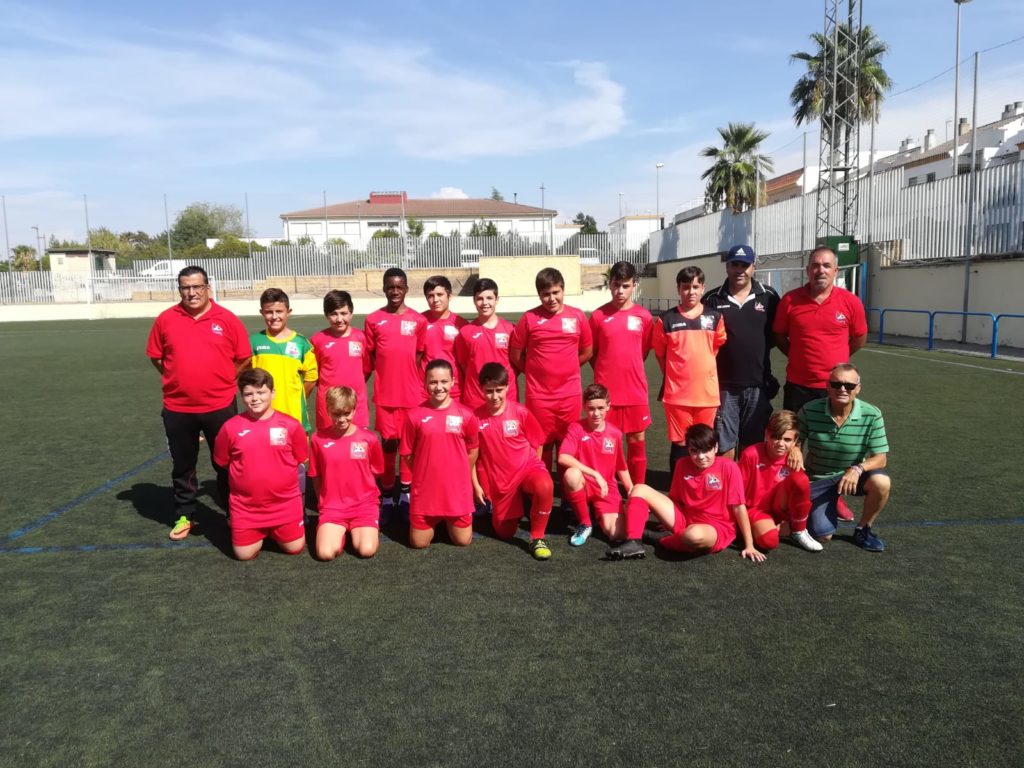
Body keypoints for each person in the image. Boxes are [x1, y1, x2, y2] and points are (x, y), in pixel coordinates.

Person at [146, 265, 252, 540]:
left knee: (227, 464)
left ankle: (234, 512)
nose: (191, 293)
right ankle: (185, 515)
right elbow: (156, 356)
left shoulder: (227, 319)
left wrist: (226, 379)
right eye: (185, 287)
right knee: (183, 465)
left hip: (220, 406)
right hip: (178, 408)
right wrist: (176, 378)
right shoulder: (166, 319)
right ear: (179, 289)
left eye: (196, 287)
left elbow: (244, 357)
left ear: (207, 288)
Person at [608, 424, 765, 563]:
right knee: (639, 488)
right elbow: (675, 499)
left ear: (716, 448)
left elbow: (739, 507)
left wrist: (749, 545)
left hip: (715, 527)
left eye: (706, 450)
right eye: (694, 451)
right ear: (688, 450)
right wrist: (665, 517)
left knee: (694, 536)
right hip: (685, 518)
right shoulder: (682, 464)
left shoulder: (729, 467)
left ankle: (660, 539)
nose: (701, 456)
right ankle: (634, 542)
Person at [790, 362, 891, 552]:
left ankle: (863, 530)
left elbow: (881, 458)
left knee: (881, 482)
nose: (842, 389)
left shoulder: (872, 414)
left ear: (858, 388)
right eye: (836, 384)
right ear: (827, 386)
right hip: (818, 478)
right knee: (822, 535)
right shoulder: (810, 409)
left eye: (849, 385)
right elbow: (794, 438)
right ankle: (832, 500)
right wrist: (795, 448)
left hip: (852, 476)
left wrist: (857, 469)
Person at [212, 368, 308, 560]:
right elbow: (223, 462)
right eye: (248, 394)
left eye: (261, 392)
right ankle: (260, 531)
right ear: (241, 396)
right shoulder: (230, 427)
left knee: (295, 548)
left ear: (273, 393)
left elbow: (299, 459)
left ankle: (276, 530)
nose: (255, 398)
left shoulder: (290, 425)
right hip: (246, 508)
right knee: (244, 555)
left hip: (284, 504)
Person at [510, 268, 593, 472]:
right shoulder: (529, 318)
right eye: (546, 294)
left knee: (568, 445)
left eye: (556, 292)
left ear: (563, 290)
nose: (552, 298)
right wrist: (536, 373)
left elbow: (587, 352)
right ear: (539, 295)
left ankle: (567, 491)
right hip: (539, 397)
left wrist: (567, 368)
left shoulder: (577, 316)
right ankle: (544, 488)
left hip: (569, 395)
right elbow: (516, 356)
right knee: (542, 444)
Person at [704, 244, 780, 458]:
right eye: (735, 264)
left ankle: (747, 481)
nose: (740, 270)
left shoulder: (769, 296)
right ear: (727, 267)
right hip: (723, 387)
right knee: (724, 446)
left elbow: (776, 335)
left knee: (752, 448)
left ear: (753, 267)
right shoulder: (711, 299)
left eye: (744, 265)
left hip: (758, 385)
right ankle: (728, 480)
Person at [472, 363, 554, 560]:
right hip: (503, 483)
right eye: (489, 391)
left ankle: (537, 538)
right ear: (481, 389)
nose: (495, 396)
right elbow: (471, 456)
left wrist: (536, 468)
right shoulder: (475, 419)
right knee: (505, 532)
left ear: (507, 387)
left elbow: (538, 442)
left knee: (544, 485)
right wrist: (476, 485)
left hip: (527, 469)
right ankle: (520, 502)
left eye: (499, 390)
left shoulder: (520, 412)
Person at [772, 246, 868, 415]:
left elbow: (859, 338)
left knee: (831, 432)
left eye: (826, 265)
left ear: (835, 271)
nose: (821, 270)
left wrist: (839, 357)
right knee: (795, 431)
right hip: (798, 386)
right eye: (815, 265)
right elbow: (779, 335)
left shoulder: (851, 302)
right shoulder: (789, 300)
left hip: (836, 386)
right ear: (808, 270)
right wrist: (796, 355)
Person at [651, 265, 727, 476]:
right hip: (677, 396)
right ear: (678, 289)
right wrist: (674, 376)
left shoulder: (715, 317)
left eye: (695, 287)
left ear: (703, 288)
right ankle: (678, 487)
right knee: (680, 443)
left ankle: (701, 485)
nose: (690, 292)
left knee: (704, 443)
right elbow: (660, 354)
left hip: (707, 396)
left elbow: (715, 348)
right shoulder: (666, 319)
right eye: (685, 287)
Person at [364, 268, 427, 518]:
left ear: (406, 289)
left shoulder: (418, 321)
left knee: (409, 447)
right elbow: (371, 355)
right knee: (389, 445)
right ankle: (388, 495)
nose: (395, 291)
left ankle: (406, 494)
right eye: (390, 287)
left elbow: (419, 354)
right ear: (384, 288)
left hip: (412, 395)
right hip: (386, 396)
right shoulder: (373, 320)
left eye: (399, 287)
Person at [400, 359, 480, 549]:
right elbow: (407, 454)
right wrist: (423, 472)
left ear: (453, 382)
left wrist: (461, 473)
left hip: (456, 492)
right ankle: (437, 519)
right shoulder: (414, 415)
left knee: (463, 541)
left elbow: (473, 450)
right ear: (425, 383)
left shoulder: (466, 415)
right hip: (425, 492)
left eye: (444, 381)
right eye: (433, 382)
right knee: (418, 543)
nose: (439, 387)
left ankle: (448, 519)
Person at [589, 260, 654, 485]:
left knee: (636, 440)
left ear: (634, 285)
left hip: (635, 391)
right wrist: (606, 372)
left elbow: (642, 351)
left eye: (625, 286)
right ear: (610, 284)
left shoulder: (644, 317)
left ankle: (638, 491)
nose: (620, 291)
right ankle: (608, 490)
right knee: (607, 442)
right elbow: (593, 353)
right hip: (606, 394)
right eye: (616, 285)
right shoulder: (598, 317)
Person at [309, 386, 384, 560]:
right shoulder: (318, 439)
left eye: (347, 413)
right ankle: (339, 534)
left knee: (366, 550)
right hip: (333, 507)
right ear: (328, 410)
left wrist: (359, 488)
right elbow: (316, 475)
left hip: (364, 505)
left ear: (354, 410)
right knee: (325, 554)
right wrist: (323, 501)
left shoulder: (369, 439)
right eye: (336, 414)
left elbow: (376, 472)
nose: (342, 419)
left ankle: (355, 531)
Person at [557, 383, 633, 547]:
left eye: (600, 408)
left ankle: (596, 512)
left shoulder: (615, 433)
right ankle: (585, 523)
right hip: (584, 484)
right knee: (571, 474)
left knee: (616, 534)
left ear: (608, 406)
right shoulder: (576, 428)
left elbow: (621, 466)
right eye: (591, 408)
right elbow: (563, 457)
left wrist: (631, 490)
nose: (596, 413)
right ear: (584, 407)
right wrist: (595, 474)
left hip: (605, 487)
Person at [737, 410, 821, 553]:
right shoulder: (751, 454)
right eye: (775, 437)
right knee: (769, 541)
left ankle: (798, 530)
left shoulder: (793, 457)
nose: (781, 443)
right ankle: (776, 527)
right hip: (756, 510)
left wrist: (796, 450)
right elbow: (738, 494)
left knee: (801, 479)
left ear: (795, 441)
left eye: (787, 439)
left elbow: (799, 488)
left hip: (781, 508)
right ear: (766, 434)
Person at [250, 287, 318, 434]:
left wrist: (296, 397)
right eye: (269, 312)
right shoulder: (253, 342)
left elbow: (311, 378)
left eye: (279, 311)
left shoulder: (302, 344)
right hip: (262, 416)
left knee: (297, 449)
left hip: (294, 415)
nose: (274, 316)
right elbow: (245, 377)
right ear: (262, 312)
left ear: (288, 312)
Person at [311, 290, 372, 432]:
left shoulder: (362, 338)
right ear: (326, 315)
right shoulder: (317, 340)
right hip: (328, 406)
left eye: (344, 313)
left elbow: (366, 370)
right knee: (328, 443)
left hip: (356, 404)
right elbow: (314, 374)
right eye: (334, 314)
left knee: (357, 441)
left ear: (351, 313)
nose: (339, 319)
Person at [455, 278, 518, 411]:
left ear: (497, 300)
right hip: (475, 400)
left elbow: (516, 363)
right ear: (474, 300)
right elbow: (464, 365)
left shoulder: (511, 330)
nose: (485, 303)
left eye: (489, 298)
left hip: (506, 398)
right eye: (480, 298)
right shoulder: (465, 332)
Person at [420, 275, 468, 400]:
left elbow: (465, 363)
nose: (435, 300)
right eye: (430, 296)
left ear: (449, 296)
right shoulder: (419, 322)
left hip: (455, 390)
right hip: (425, 391)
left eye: (440, 295)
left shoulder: (461, 324)